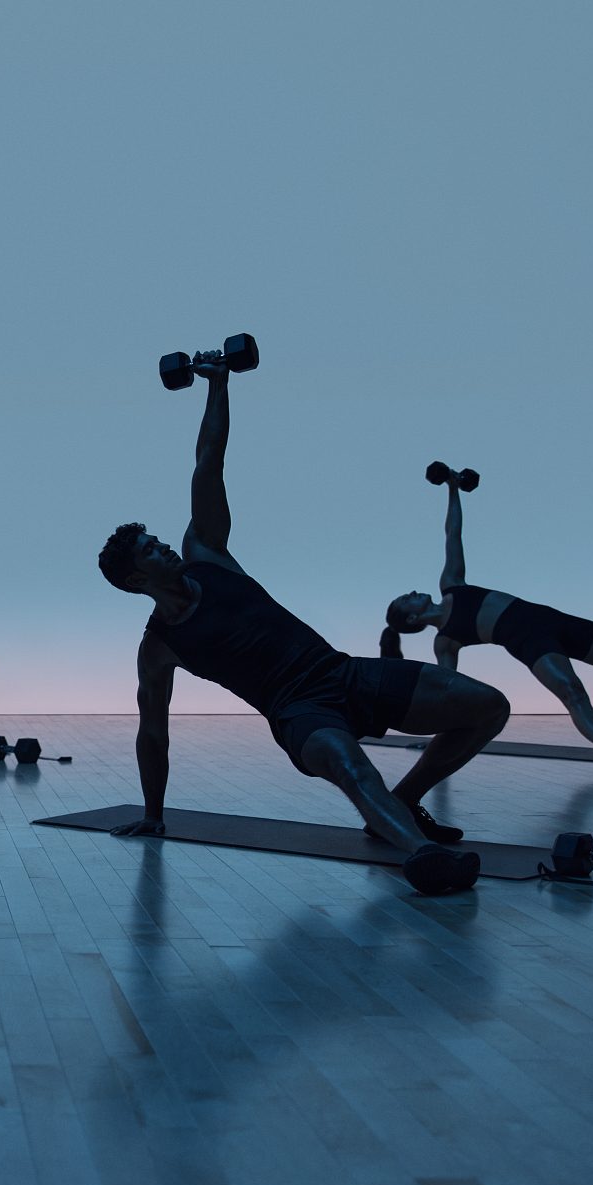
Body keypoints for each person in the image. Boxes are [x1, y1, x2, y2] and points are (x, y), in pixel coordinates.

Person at [95, 363, 510, 895]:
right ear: (135, 580)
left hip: (345, 673)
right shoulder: (158, 647)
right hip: (299, 714)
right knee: (353, 769)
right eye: (150, 550)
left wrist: (218, 383)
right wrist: (154, 812)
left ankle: (404, 804)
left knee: (488, 707)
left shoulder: (208, 554)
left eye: (157, 538)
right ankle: (423, 856)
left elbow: (208, 463)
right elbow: (153, 732)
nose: (163, 546)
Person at [381, 472, 593, 768]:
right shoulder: (445, 640)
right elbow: (448, 690)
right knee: (572, 691)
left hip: (555, 620)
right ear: (412, 617)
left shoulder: (452, 585)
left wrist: (452, 487)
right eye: (405, 598)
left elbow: (453, 533)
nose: (410, 592)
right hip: (531, 643)